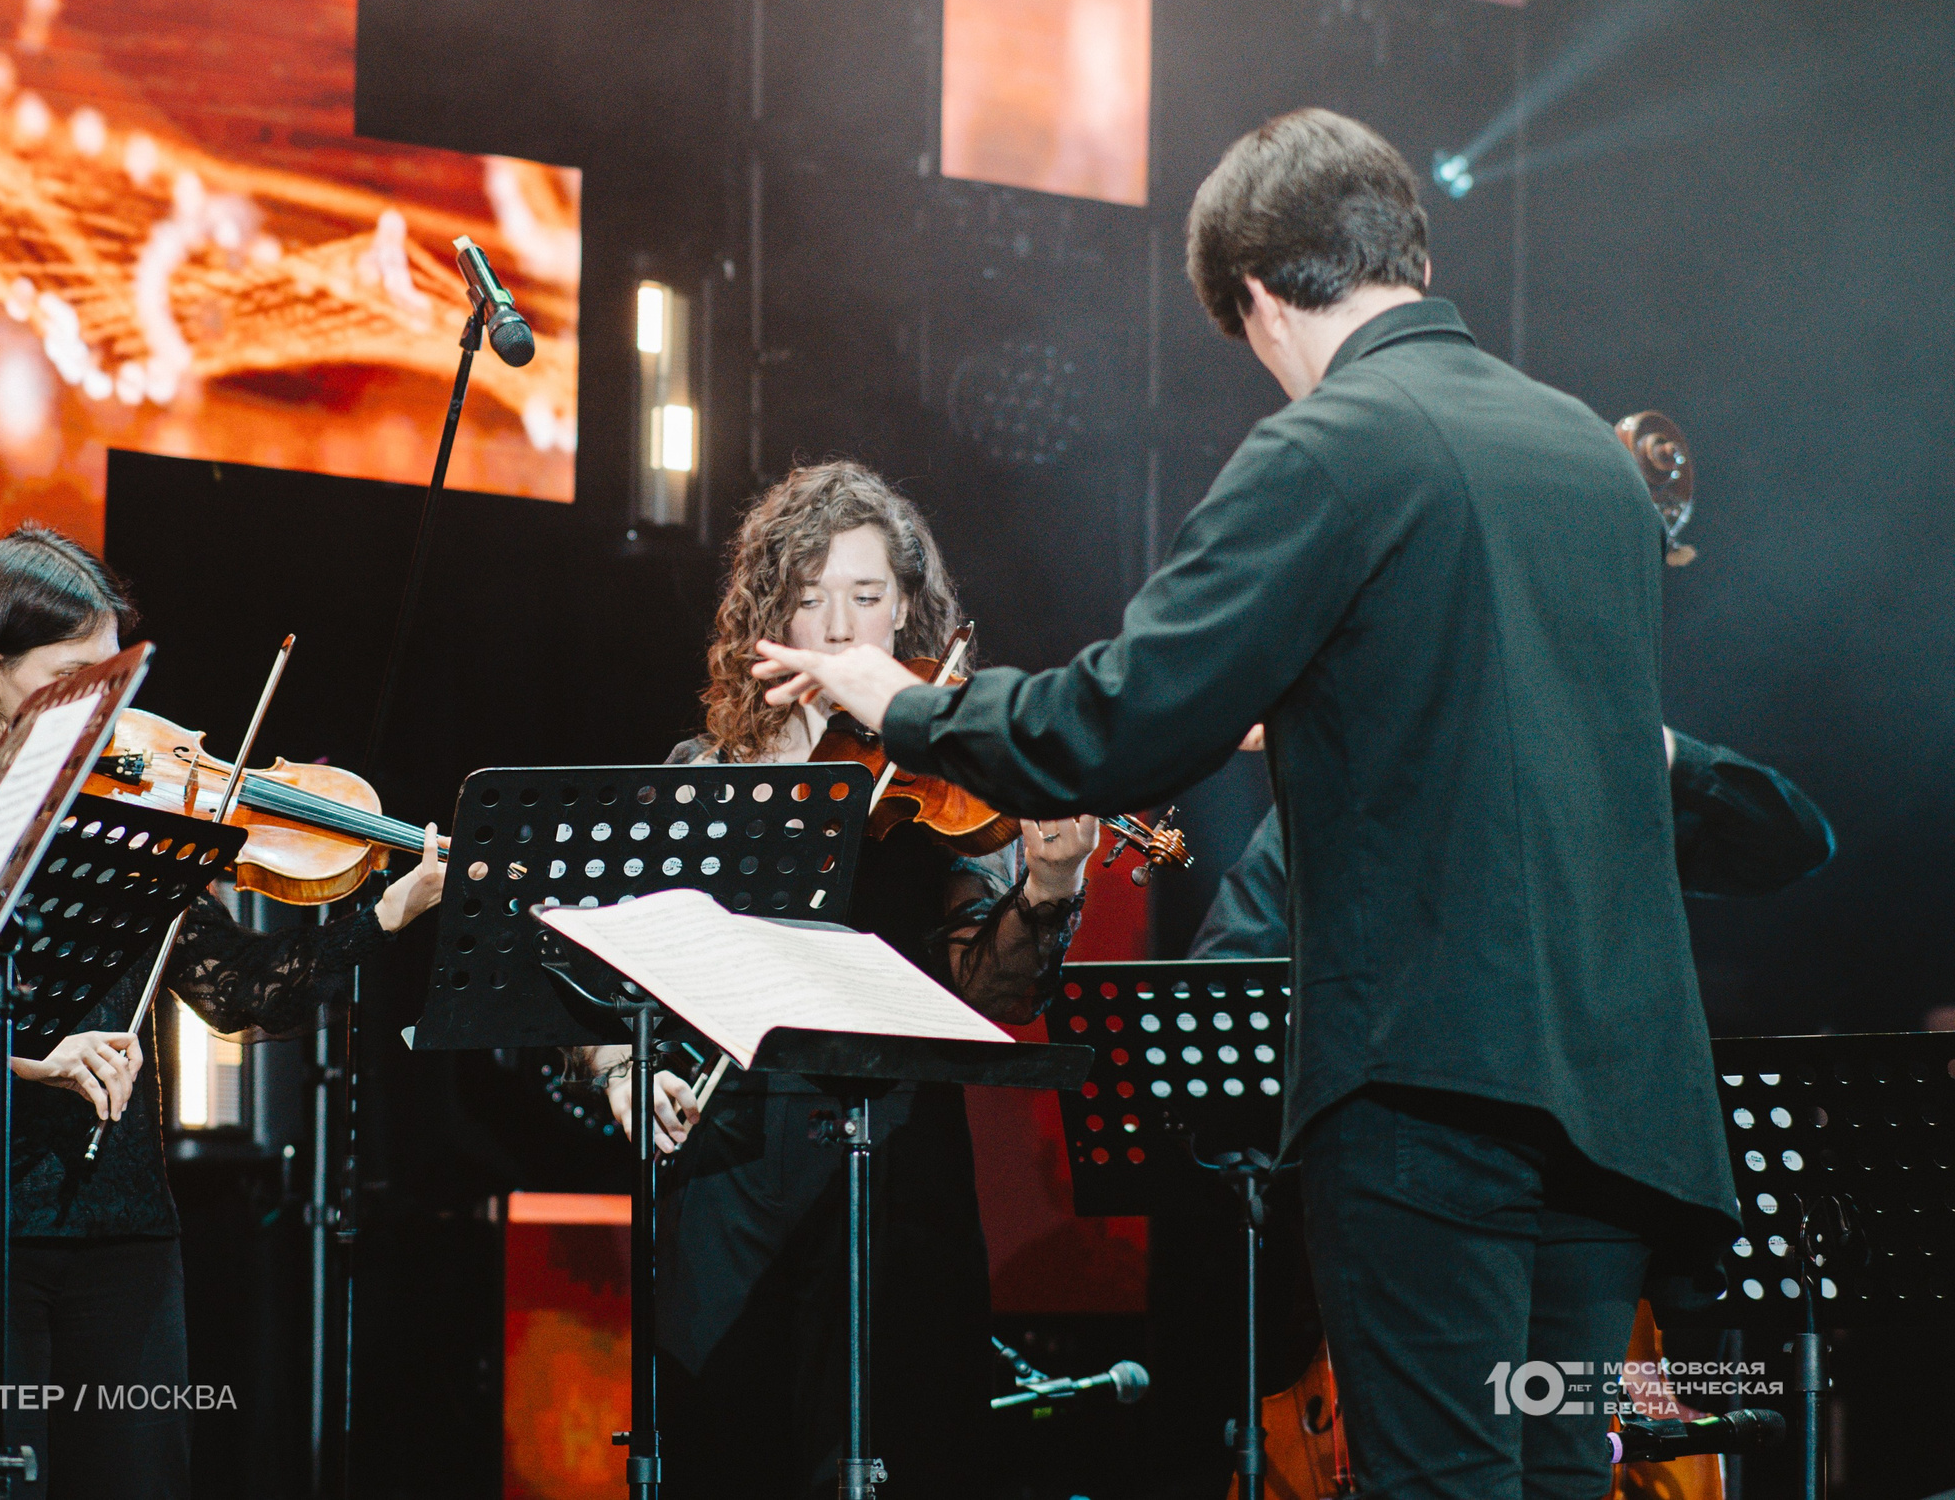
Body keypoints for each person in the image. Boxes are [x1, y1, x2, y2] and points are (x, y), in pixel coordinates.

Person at [755, 111, 1740, 1500]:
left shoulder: (1332, 444)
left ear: (1263, 298)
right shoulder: (1591, 459)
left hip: (1437, 1096)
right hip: (1622, 1102)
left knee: (1442, 1480)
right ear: (1409, 245)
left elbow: (1115, 720)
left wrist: (894, 697)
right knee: (1560, 1473)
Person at [0, 527, 444, 1500]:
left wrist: (390, 909)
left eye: (111, 676)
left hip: (126, 1239)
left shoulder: (128, 822)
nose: (104, 705)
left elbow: (240, 991)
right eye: (74, 674)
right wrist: (24, 1060)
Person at [580, 461, 1097, 1500]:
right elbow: (609, 977)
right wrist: (615, 1073)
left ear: (909, 610)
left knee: (904, 1457)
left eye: (864, 599)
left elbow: (989, 995)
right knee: (731, 1458)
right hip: (733, 1175)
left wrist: (1050, 881)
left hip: (895, 1170)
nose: (835, 629)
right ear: (768, 614)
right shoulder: (705, 772)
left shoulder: (940, 777)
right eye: (808, 599)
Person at [1192, 724, 1836, 956]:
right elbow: (1224, 979)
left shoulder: (1584, 781)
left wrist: (1637, 738)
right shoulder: (1336, 803)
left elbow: (1795, 841)